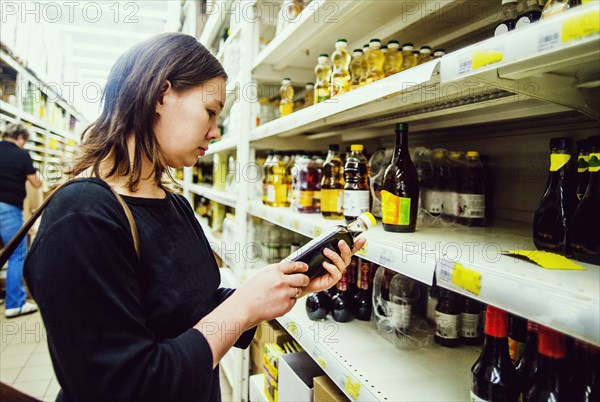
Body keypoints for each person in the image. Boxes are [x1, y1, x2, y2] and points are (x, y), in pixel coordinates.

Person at [24, 33, 366, 402]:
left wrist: (283, 285)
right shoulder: (82, 217)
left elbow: (188, 307)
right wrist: (243, 306)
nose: (215, 132)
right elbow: (126, 386)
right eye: (211, 111)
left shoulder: (174, 204)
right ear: (160, 95)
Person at [0, 123, 42, 317]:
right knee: (16, 253)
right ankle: (15, 304)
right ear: (20, 137)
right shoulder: (21, 154)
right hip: (8, 208)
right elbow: (36, 182)